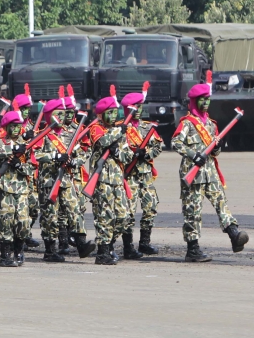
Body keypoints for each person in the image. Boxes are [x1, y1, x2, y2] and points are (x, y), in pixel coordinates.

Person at [171, 82, 249, 262]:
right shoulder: (187, 124)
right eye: (202, 100)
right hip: (193, 172)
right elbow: (176, 142)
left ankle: (234, 234)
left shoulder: (212, 124)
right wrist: (193, 154)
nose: (206, 103)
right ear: (194, 101)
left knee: (221, 203)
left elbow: (215, 152)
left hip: (210, 171)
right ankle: (193, 249)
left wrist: (217, 147)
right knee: (193, 211)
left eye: (207, 100)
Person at [88, 94, 135, 265]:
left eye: (115, 112)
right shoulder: (96, 128)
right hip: (102, 180)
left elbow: (128, 155)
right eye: (110, 112)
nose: (114, 116)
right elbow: (102, 142)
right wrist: (118, 132)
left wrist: (118, 152)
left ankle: (109, 244)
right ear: (101, 114)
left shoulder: (119, 131)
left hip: (117, 179)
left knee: (124, 216)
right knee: (105, 216)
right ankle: (103, 251)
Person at [0, 108, 33, 266]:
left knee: (23, 222)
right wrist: (13, 149)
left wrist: (20, 165)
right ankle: (5, 255)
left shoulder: (27, 144)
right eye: (12, 126)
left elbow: (32, 168)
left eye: (18, 126)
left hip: (21, 188)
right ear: (6, 127)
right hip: (5, 188)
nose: (16, 129)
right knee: (6, 222)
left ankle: (19, 251)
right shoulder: (0, 142)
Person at [120, 90, 162, 255]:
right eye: (135, 107)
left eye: (140, 106)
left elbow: (158, 146)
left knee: (151, 206)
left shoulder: (147, 127)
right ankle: (128, 247)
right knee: (128, 212)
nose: (139, 110)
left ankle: (145, 242)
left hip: (145, 175)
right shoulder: (121, 128)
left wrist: (147, 153)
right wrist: (132, 155)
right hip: (128, 176)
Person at [33, 97, 74, 262]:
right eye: (59, 114)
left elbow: (79, 152)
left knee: (74, 211)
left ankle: (78, 241)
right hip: (48, 180)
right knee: (50, 216)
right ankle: (50, 250)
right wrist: (55, 156)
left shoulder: (68, 133)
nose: (62, 117)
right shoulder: (42, 134)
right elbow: (34, 155)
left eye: (64, 114)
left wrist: (73, 159)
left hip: (66, 179)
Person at [58, 87, 96, 258]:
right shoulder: (52, 130)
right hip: (57, 175)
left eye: (70, 112)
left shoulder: (77, 129)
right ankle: (62, 242)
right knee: (58, 212)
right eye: (65, 112)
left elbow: (86, 149)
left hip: (75, 173)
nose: (68, 115)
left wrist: (76, 160)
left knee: (76, 208)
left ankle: (80, 242)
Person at [11, 86, 40, 249]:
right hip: (14, 173)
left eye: (28, 109)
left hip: (30, 170)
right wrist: (22, 137)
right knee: (15, 210)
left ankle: (26, 233)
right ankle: (17, 239)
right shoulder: (10, 124)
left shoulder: (30, 125)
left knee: (33, 206)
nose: (27, 112)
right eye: (24, 109)